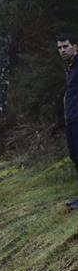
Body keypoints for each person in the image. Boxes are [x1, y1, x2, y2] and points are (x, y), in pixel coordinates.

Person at [58, 34, 78, 210]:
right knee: (75, 155)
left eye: (65, 46)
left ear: (75, 46)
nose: (62, 50)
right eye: (60, 48)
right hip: (71, 118)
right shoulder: (70, 67)